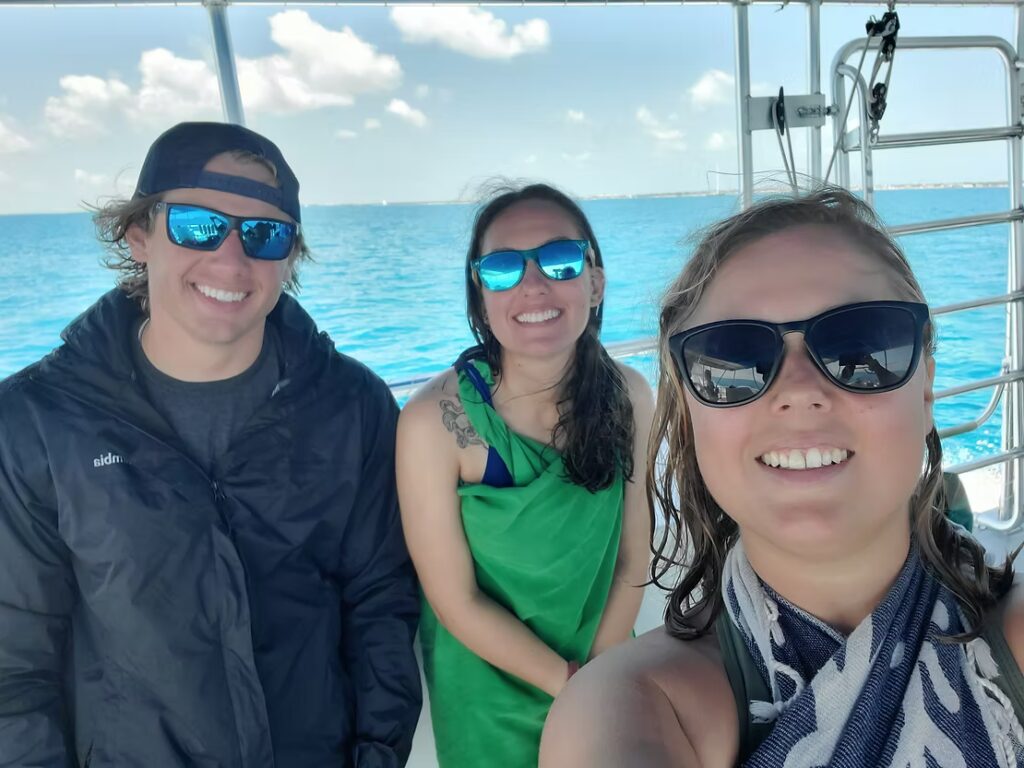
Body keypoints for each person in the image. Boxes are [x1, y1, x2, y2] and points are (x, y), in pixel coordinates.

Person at [540, 187, 1024, 768]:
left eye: (860, 348)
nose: (797, 392)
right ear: (691, 418)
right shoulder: (633, 705)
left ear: (925, 389)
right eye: (735, 361)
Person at [0, 121, 421, 767]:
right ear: (139, 235)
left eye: (264, 233)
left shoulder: (352, 406)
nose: (231, 259)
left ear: (289, 256)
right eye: (197, 224)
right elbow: (14, 661)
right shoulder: (36, 422)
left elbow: (380, 608)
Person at [396, 182, 654, 767]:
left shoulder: (631, 398)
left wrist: (598, 680)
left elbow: (633, 560)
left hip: (606, 669)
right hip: (489, 696)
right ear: (479, 295)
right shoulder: (432, 423)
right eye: (503, 269)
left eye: (560, 261)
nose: (533, 285)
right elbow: (456, 601)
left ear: (596, 280)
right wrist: (566, 682)